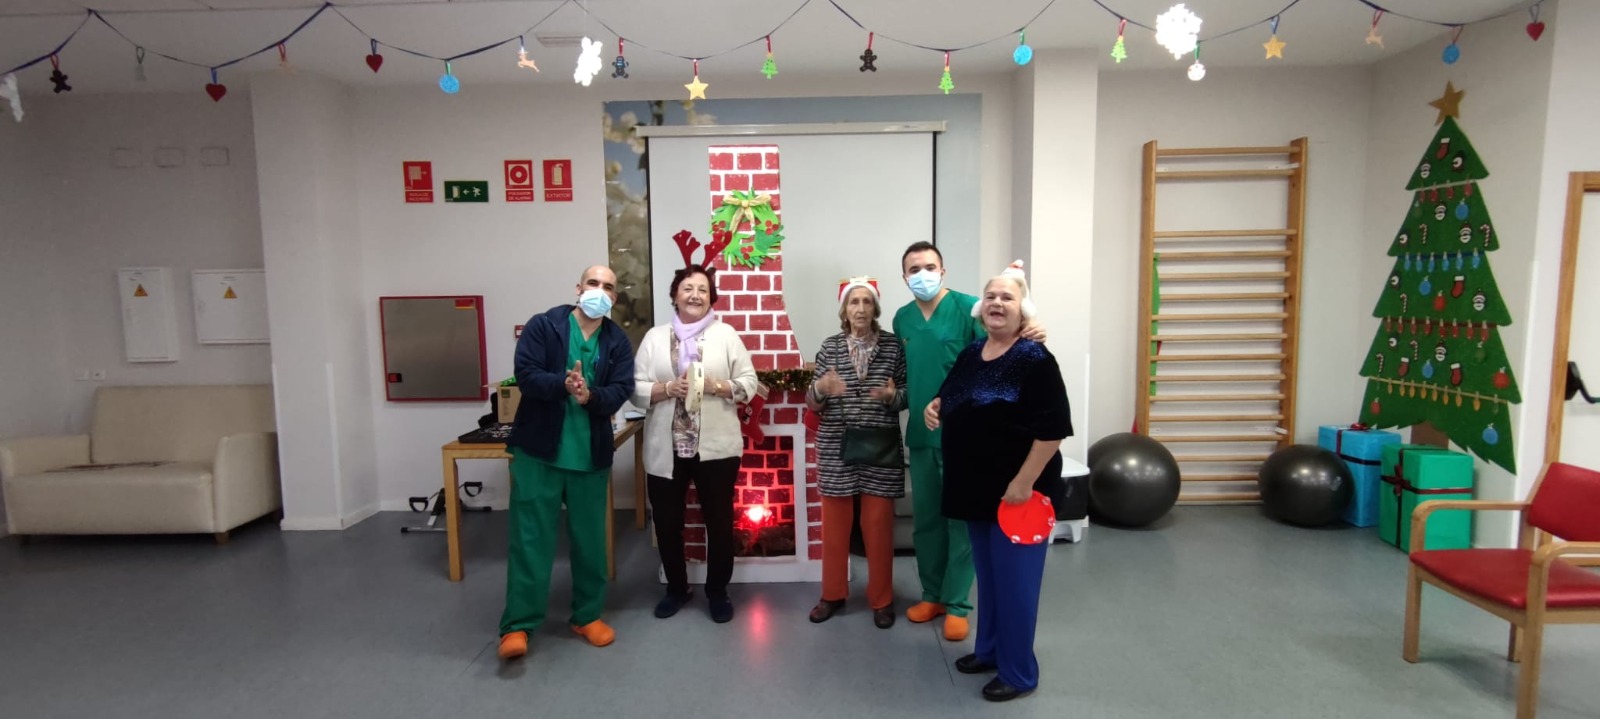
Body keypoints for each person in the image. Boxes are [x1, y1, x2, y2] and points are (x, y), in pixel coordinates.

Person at [924, 261, 1071, 702]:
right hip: (976, 489)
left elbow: (1053, 429)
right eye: (990, 296)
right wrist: (935, 406)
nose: (997, 303)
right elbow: (951, 394)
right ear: (980, 307)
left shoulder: (1034, 359)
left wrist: (1024, 482)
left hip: (1018, 494)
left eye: (1007, 297)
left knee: (1016, 586)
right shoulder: (973, 353)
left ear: (1023, 308)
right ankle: (989, 651)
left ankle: (1019, 672)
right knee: (988, 580)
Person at [892, 241, 1045, 639]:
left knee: (961, 522)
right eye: (913, 269)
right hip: (922, 435)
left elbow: (1001, 347)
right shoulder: (902, 319)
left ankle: (958, 603)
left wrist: (1031, 332)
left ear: (942, 271)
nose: (922, 275)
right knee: (927, 521)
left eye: (929, 267)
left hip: (966, 438)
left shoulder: (969, 309)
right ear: (904, 277)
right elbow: (911, 376)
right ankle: (932, 595)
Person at [498, 265, 636, 661]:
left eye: (608, 287)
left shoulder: (617, 342)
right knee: (530, 540)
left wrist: (590, 396)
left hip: (589, 457)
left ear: (614, 298)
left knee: (591, 542)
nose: (599, 291)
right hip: (538, 454)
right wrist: (563, 383)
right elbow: (526, 376)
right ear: (578, 288)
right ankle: (518, 625)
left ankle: (587, 615)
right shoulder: (545, 326)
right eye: (593, 283)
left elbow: (620, 390)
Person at [633, 262, 758, 624]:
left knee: (718, 522)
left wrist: (718, 386)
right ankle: (677, 588)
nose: (695, 295)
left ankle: (718, 592)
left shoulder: (726, 335)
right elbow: (634, 389)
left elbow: (749, 382)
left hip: (716, 449)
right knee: (667, 522)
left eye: (703, 289)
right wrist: (666, 389)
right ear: (675, 295)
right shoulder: (655, 338)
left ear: (711, 297)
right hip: (666, 448)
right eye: (688, 288)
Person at [805, 277, 908, 629]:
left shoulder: (893, 347)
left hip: (880, 447)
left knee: (878, 527)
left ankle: (882, 598)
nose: (860, 308)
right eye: (853, 302)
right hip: (836, 446)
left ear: (875, 308)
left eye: (866, 302)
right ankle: (832, 594)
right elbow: (812, 402)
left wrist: (893, 397)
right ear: (844, 310)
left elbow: (907, 393)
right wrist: (821, 388)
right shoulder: (830, 346)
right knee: (835, 528)